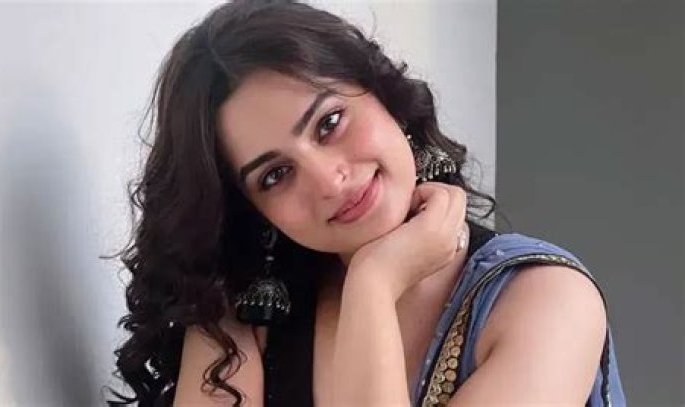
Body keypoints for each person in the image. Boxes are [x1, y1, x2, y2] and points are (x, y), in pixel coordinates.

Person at [109, 1, 625, 406]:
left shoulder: (548, 301)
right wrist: (373, 284)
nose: (329, 180)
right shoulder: (241, 325)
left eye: (329, 123)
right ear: (253, 210)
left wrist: (373, 284)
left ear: (383, 95)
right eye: (275, 175)